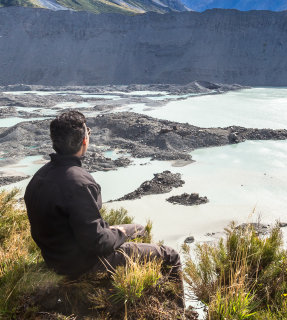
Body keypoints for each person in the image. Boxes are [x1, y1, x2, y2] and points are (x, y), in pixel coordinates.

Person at [24, 111, 182, 287]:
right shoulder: (79, 183)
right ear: (84, 140)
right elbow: (98, 243)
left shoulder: (40, 175)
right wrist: (120, 233)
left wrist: (115, 232)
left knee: (139, 229)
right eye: (88, 132)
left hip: (55, 256)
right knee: (170, 255)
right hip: (81, 264)